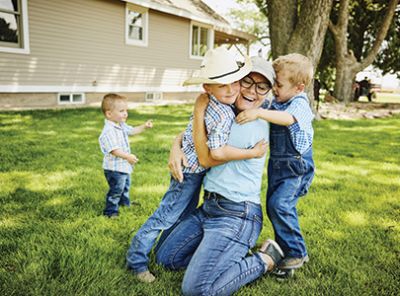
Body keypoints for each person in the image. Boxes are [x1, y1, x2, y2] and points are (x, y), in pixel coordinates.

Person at [126, 47, 267, 283]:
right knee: (164, 217)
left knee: (182, 214)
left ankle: (202, 249)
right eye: (223, 85)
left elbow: (193, 134)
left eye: (234, 82)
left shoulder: (216, 103)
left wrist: (178, 139)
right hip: (190, 174)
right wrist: (251, 152)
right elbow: (216, 153)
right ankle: (136, 261)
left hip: (198, 177)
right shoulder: (221, 112)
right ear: (207, 88)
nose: (232, 89)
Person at [156, 57, 285, 295]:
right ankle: (220, 255)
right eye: (247, 82)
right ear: (235, 81)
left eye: (261, 86)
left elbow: (205, 156)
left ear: (268, 92)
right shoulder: (225, 113)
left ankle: (264, 260)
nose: (251, 91)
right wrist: (176, 144)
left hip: (237, 215)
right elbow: (194, 137)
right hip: (209, 208)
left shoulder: (252, 123)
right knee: (166, 258)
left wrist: (198, 108)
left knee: (196, 290)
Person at [236, 53, 315, 275]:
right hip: (279, 167)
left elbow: (289, 119)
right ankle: (288, 247)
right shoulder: (278, 101)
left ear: (299, 88)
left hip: (295, 168)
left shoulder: (299, 102)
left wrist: (259, 113)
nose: (274, 89)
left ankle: (297, 252)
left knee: (280, 205)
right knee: (274, 205)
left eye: (278, 85)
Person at [99, 93, 153, 218]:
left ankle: (124, 204)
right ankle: (111, 211)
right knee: (116, 190)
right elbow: (114, 150)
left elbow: (132, 131)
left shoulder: (121, 125)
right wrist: (127, 156)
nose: (125, 113)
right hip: (114, 168)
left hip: (124, 167)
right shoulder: (108, 131)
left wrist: (144, 126)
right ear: (109, 114)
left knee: (125, 187)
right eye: (121, 111)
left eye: (126, 110)